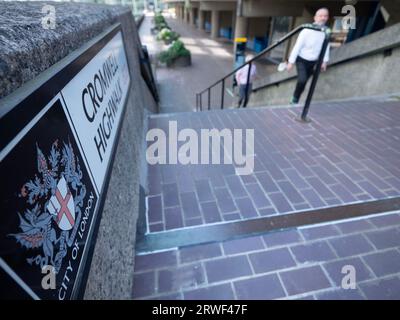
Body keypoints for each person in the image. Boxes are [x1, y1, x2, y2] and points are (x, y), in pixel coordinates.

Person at [287, 7, 330, 105]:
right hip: (301, 60)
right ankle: (295, 98)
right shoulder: (306, 30)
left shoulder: (326, 31)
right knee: (302, 80)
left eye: (325, 16)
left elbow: (326, 46)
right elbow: (297, 46)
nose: (323, 18)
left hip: (314, 62)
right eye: (320, 16)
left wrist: (324, 61)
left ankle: (296, 98)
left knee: (304, 82)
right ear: (315, 18)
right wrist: (291, 62)